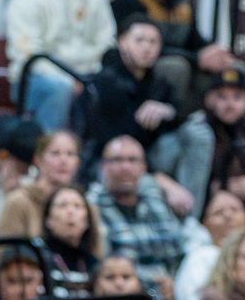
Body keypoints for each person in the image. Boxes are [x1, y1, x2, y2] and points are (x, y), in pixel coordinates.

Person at [110, 0, 233, 118]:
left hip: (181, 62)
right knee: (177, 67)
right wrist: (197, 59)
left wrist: (215, 52)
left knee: (231, 68)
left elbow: (195, 42)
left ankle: (218, 132)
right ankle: (171, 123)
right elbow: (142, 47)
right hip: (142, 68)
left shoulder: (181, 3)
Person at [88, 18, 209, 215]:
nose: (147, 47)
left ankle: (191, 218)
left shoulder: (159, 83)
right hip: (114, 160)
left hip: (150, 155)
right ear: (122, 43)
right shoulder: (105, 83)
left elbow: (178, 123)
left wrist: (169, 113)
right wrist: (164, 181)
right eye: (139, 40)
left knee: (198, 133)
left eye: (153, 42)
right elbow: (113, 142)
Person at [5, 0, 116, 136]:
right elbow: (29, 55)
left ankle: (98, 160)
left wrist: (82, 77)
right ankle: (51, 153)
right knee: (60, 89)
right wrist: (70, 78)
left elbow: (106, 42)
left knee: (114, 86)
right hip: (33, 80)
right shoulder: (24, 0)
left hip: (87, 74)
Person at [87, 137, 187, 296]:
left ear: (144, 168)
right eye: (116, 160)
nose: (125, 167)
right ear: (103, 167)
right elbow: (103, 264)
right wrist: (150, 282)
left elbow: (178, 248)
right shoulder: (90, 205)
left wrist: (175, 283)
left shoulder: (156, 199)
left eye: (132, 160)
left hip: (173, 289)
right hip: (121, 294)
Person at [176, 190, 245, 300]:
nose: (228, 216)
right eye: (218, 212)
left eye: (235, 209)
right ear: (204, 224)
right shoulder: (201, 257)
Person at [0, 127, 83, 243]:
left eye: (70, 154)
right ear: (38, 160)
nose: (63, 160)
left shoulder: (84, 204)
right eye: (55, 153)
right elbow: (3, 252)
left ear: (77, 162)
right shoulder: (18, 201)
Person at [201, 65, 245, 224]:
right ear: (208, 99)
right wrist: (220, 187)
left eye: (237, 97)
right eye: (222, 97)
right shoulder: (198, 132)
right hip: (212, 211)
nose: (230, 104)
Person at [42, 185, 105, 292]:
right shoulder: (37, 258)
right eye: (62, 205)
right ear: (49, 220)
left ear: (87, 221)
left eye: (77, 206)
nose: (70, 211)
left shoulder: (94, 265)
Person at [0, 114, 43, 198]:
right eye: (19, 169)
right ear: (2, 156)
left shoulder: (34, 177)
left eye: (23, 172)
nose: (17, 180)